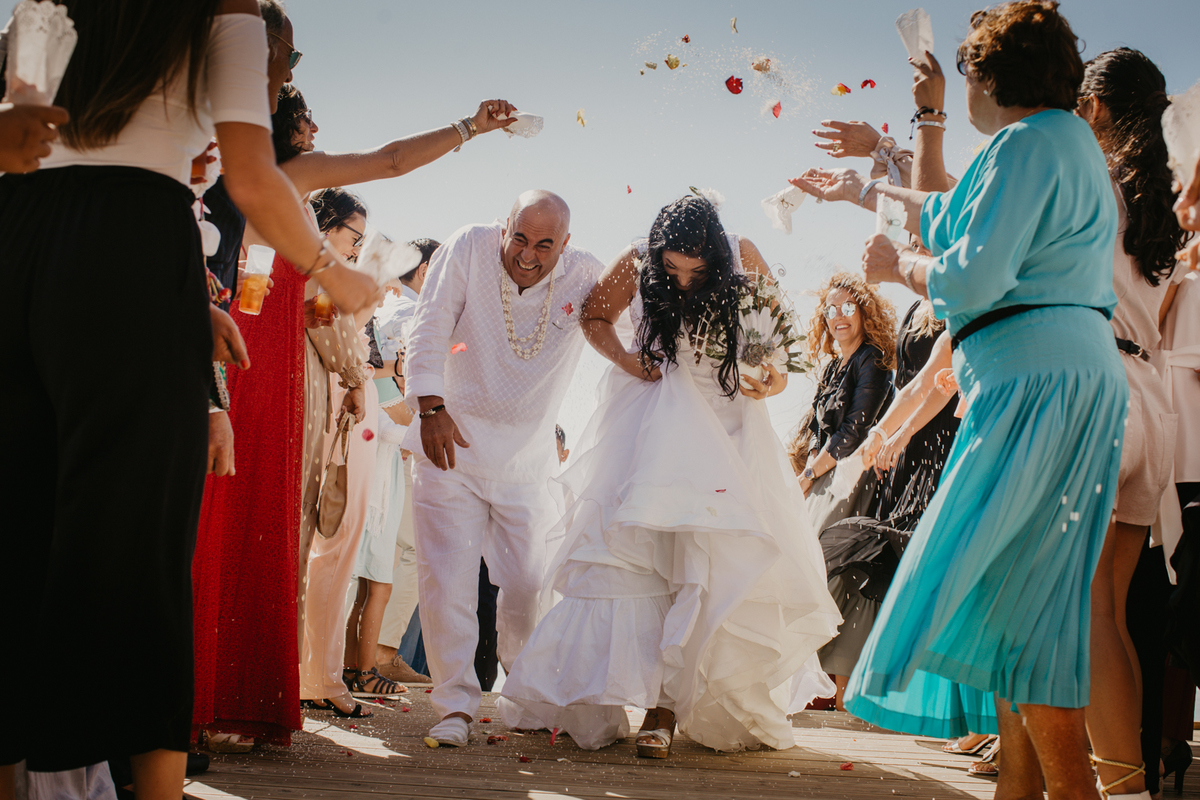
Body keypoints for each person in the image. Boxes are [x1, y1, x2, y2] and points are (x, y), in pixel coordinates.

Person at [1, 0, 374, 794]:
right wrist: (333, 273)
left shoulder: (50, 8)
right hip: (137, 236)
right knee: (139, 546)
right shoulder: (222, 17)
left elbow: (16, 142)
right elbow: (251, 173)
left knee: (22, 531)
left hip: (20, 242)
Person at [791, 3, 1128, 799]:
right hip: (1072, 379)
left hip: (1032, 385)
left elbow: (969, 275)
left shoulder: (1023, 144)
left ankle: (1067, 791)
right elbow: (945, 208)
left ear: (990, 77)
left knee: (1013, 595)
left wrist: (895, 269)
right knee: (1022, 596)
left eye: (969, 78)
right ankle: (1021, 790)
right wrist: (872, 189)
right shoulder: (1065, 142)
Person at [499, 195, 841, 757]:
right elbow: (594, 317)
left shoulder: (743, 254)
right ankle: (599, 697)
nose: (682, 282)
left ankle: (667, 711)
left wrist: (771, 381)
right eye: (672, 270)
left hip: (729, 427)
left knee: (710, 566)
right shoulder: (636, 257)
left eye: (696, 273)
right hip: (653, 420)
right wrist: (629, 361)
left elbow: (778, 349)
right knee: (628, 559)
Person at [401, 190, 605, 747]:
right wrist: (431, 408)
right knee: (447, 584)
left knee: (529, 584)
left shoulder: (586, 272)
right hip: (450, 447)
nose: (528, 255)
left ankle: (528, 689)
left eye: (545, 244)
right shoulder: (467, 248)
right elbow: (427, 327)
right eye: (519, 237)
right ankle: (454, 707)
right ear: (502, 228)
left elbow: (633, 322)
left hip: (529, 464)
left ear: (566, 243)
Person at [375, 239, 439, 684]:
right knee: (414, 548)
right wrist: (406, 427)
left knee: (385, 548)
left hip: (383, 438)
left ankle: (368, 651)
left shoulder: (390, 306)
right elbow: (391, 380)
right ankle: (381, 652)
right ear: (426, 270)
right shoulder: (411, 313)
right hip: (397, 440)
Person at [797, 274, 895, 524]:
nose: (839, 316)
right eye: (831, 310)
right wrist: (810, 470)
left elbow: (853, 433)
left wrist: (809, 474)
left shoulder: (872, 360)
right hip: (823, 470)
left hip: (853, 477)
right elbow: (816, 428)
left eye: (848, 307)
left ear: (863, 313)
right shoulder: (831, 368)